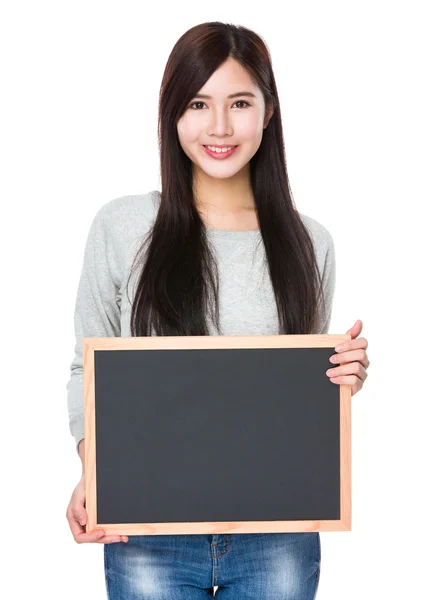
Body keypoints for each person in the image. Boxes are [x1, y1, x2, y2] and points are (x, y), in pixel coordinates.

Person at [65, 21, 369, 600]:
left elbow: (291, 393)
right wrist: (93, 471)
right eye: (199, 103)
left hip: (277, 529)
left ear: (268, 111)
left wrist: (342, 378)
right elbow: (87, 370)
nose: (220, 127)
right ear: (173, 113)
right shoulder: (123, 227)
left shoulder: (310, 242)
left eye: (240, 102)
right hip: (148, 527)